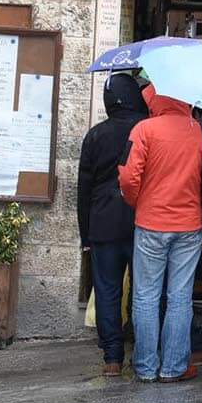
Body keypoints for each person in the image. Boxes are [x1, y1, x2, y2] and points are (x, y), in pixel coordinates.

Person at [119, 84, 202, 383]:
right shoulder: (201, 130)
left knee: (146, 296)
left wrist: (139, 202)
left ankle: (146, 367)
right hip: (190, 224)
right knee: (180, 297)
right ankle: (174, 367)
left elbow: (127, 177)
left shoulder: (143, 130)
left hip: (151, 222)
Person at [74, 73, 147, 377]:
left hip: (102, 223)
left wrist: (85, 233)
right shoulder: (145, 130)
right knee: (144, 289)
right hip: (140, 219)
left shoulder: (96, 135)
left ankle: (112, 357)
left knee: (106, 290)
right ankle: (141, 349)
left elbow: (84, 188)